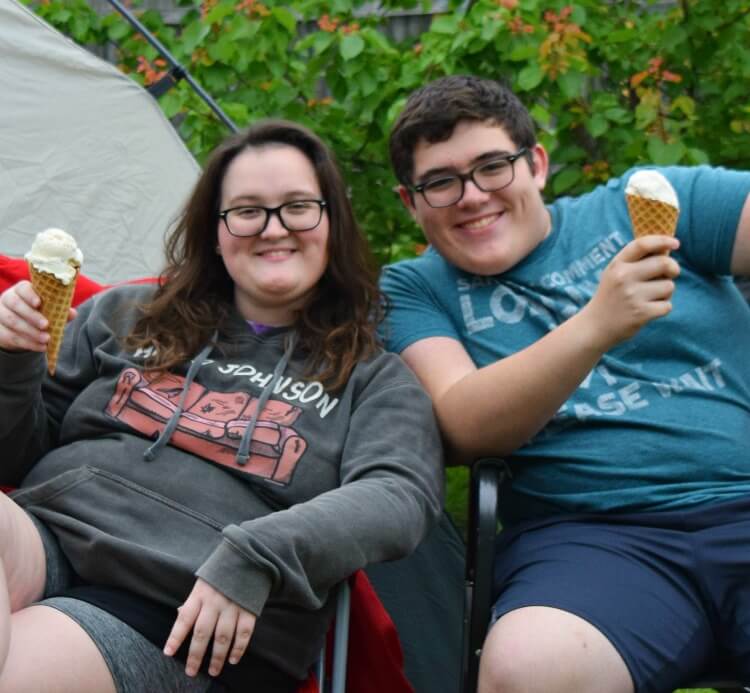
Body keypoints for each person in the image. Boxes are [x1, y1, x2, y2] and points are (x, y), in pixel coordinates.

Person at [0, 119, 443, 693]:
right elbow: (15, 455)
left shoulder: (374, 380)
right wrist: (13, 359)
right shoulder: (125, 313)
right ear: (215, 230)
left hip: (186, 602)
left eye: (298, 207)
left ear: (331, 222)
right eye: (247, 210)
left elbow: (398, 497)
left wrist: (260, 553)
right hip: (49, 534)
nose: (273, 228)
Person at [381, 74, 750, 693]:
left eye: (493, 166)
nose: (472, 196)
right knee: (527, 672)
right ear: (410, 203)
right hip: (591, 543)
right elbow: (464, 426)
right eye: (441, 182)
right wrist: (598, 324)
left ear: (538, 164)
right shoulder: (417, 290)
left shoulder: (648, 202)